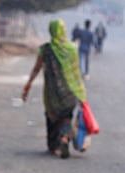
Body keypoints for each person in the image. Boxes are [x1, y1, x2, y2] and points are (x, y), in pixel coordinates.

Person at [22, 19, 87, 159]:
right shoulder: (71, 49)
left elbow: (36, 68)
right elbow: (76, 73)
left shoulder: (45, 49)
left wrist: (28, 85)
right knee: (66, 118)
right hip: (70, 92)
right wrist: (81, 94)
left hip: (52, 94)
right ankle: (64, 138)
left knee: (52, 117)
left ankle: (53, 147)